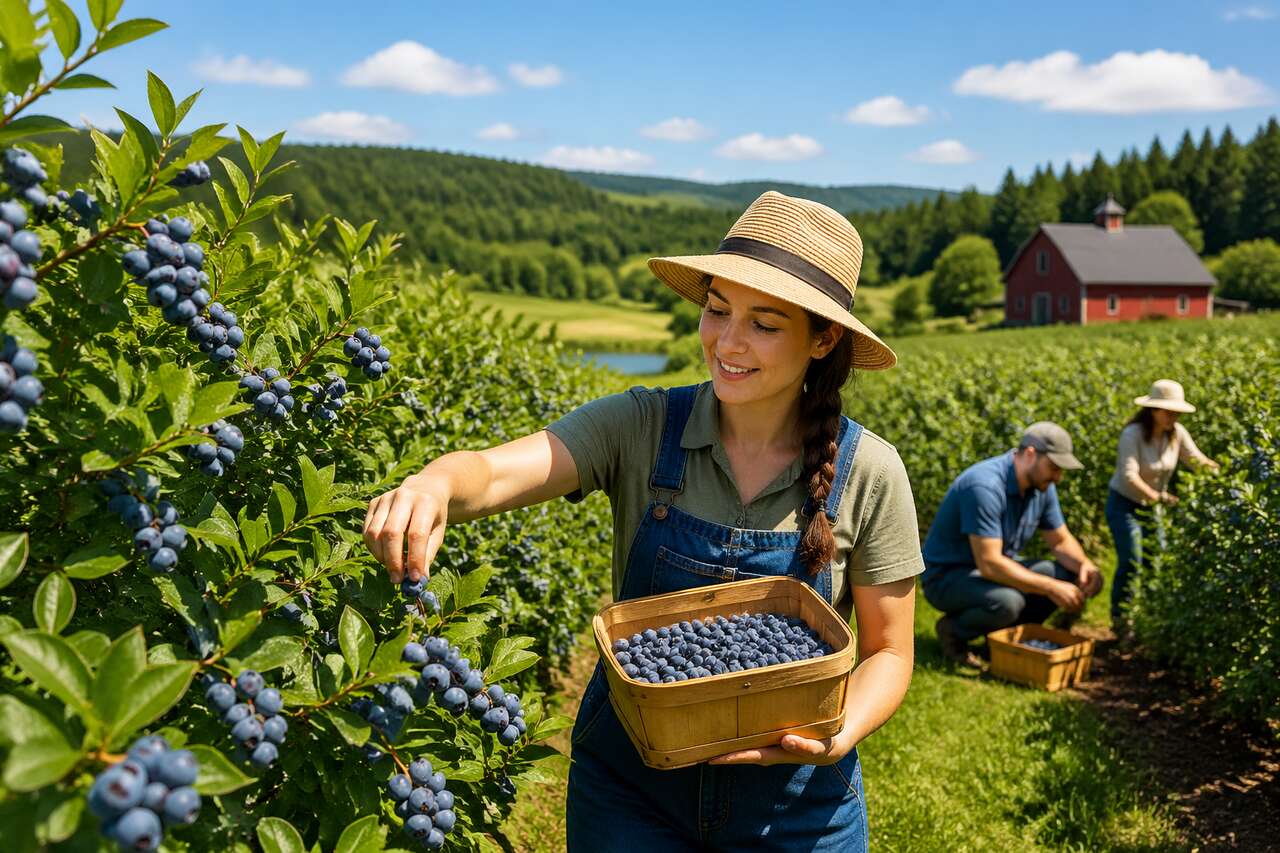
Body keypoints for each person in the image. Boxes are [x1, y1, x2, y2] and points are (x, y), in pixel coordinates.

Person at [362, 191, 925, 852]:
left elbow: (889, 650)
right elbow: (494, 471)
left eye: (764, 324)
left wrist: (838, 731)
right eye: (717, 311)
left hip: (797, 803)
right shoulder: (643, 425)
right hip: (631, 791)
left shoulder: (869, 470)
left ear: (823, 338)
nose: (728, 341)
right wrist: (434, 483)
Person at [920, 423, 1104, 665]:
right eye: (1054, 467)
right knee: (1009, 602)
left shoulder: (1041, 487)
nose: (1058, 477)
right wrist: (1050, 587)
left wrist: (1085, 565)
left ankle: (1001, 642)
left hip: (989, 569)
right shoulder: (984, 486)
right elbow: (990, 564)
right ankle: (953, 631)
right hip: (946, 577)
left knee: (1063, 573)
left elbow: (1060, 540)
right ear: (1030, 454)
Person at [1107, 379, 1218, 628]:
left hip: (1152, 506)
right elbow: (1129, 475)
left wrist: (1225, 474)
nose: (1172, 417)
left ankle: (1149, 617)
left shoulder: (1177, 434)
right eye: (1167, 412)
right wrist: (1158, 497)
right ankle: (1120, 619)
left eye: (1176, 412)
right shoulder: (1132, 434)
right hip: (1124, 503)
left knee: (1156, 558)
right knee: (1131, 560)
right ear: (1153, 410)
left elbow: (1197, 461)